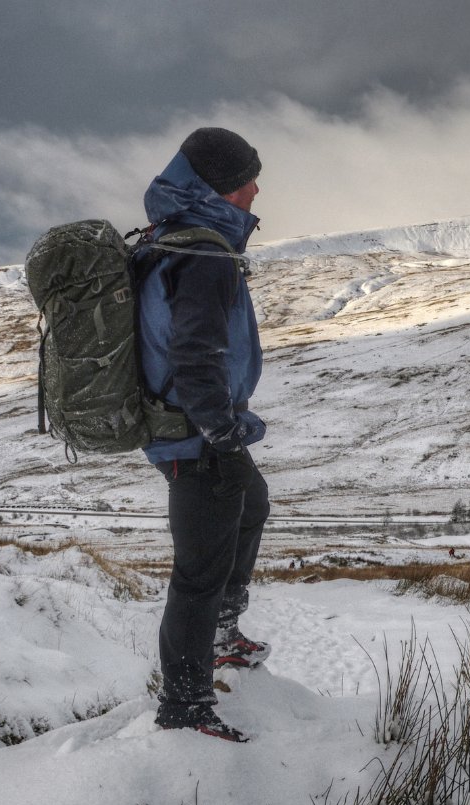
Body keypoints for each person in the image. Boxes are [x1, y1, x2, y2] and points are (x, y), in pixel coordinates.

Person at [137, 127, 271, 742]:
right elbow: (194, 354)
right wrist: (221, 431)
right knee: (197, 574)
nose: (256, 190)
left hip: (195, 431)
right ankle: (185, 707)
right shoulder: (203, 254)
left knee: (253, 503)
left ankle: (221, 631)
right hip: (196, 437)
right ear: (216, 187)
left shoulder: (178, 240)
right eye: (246, 179)